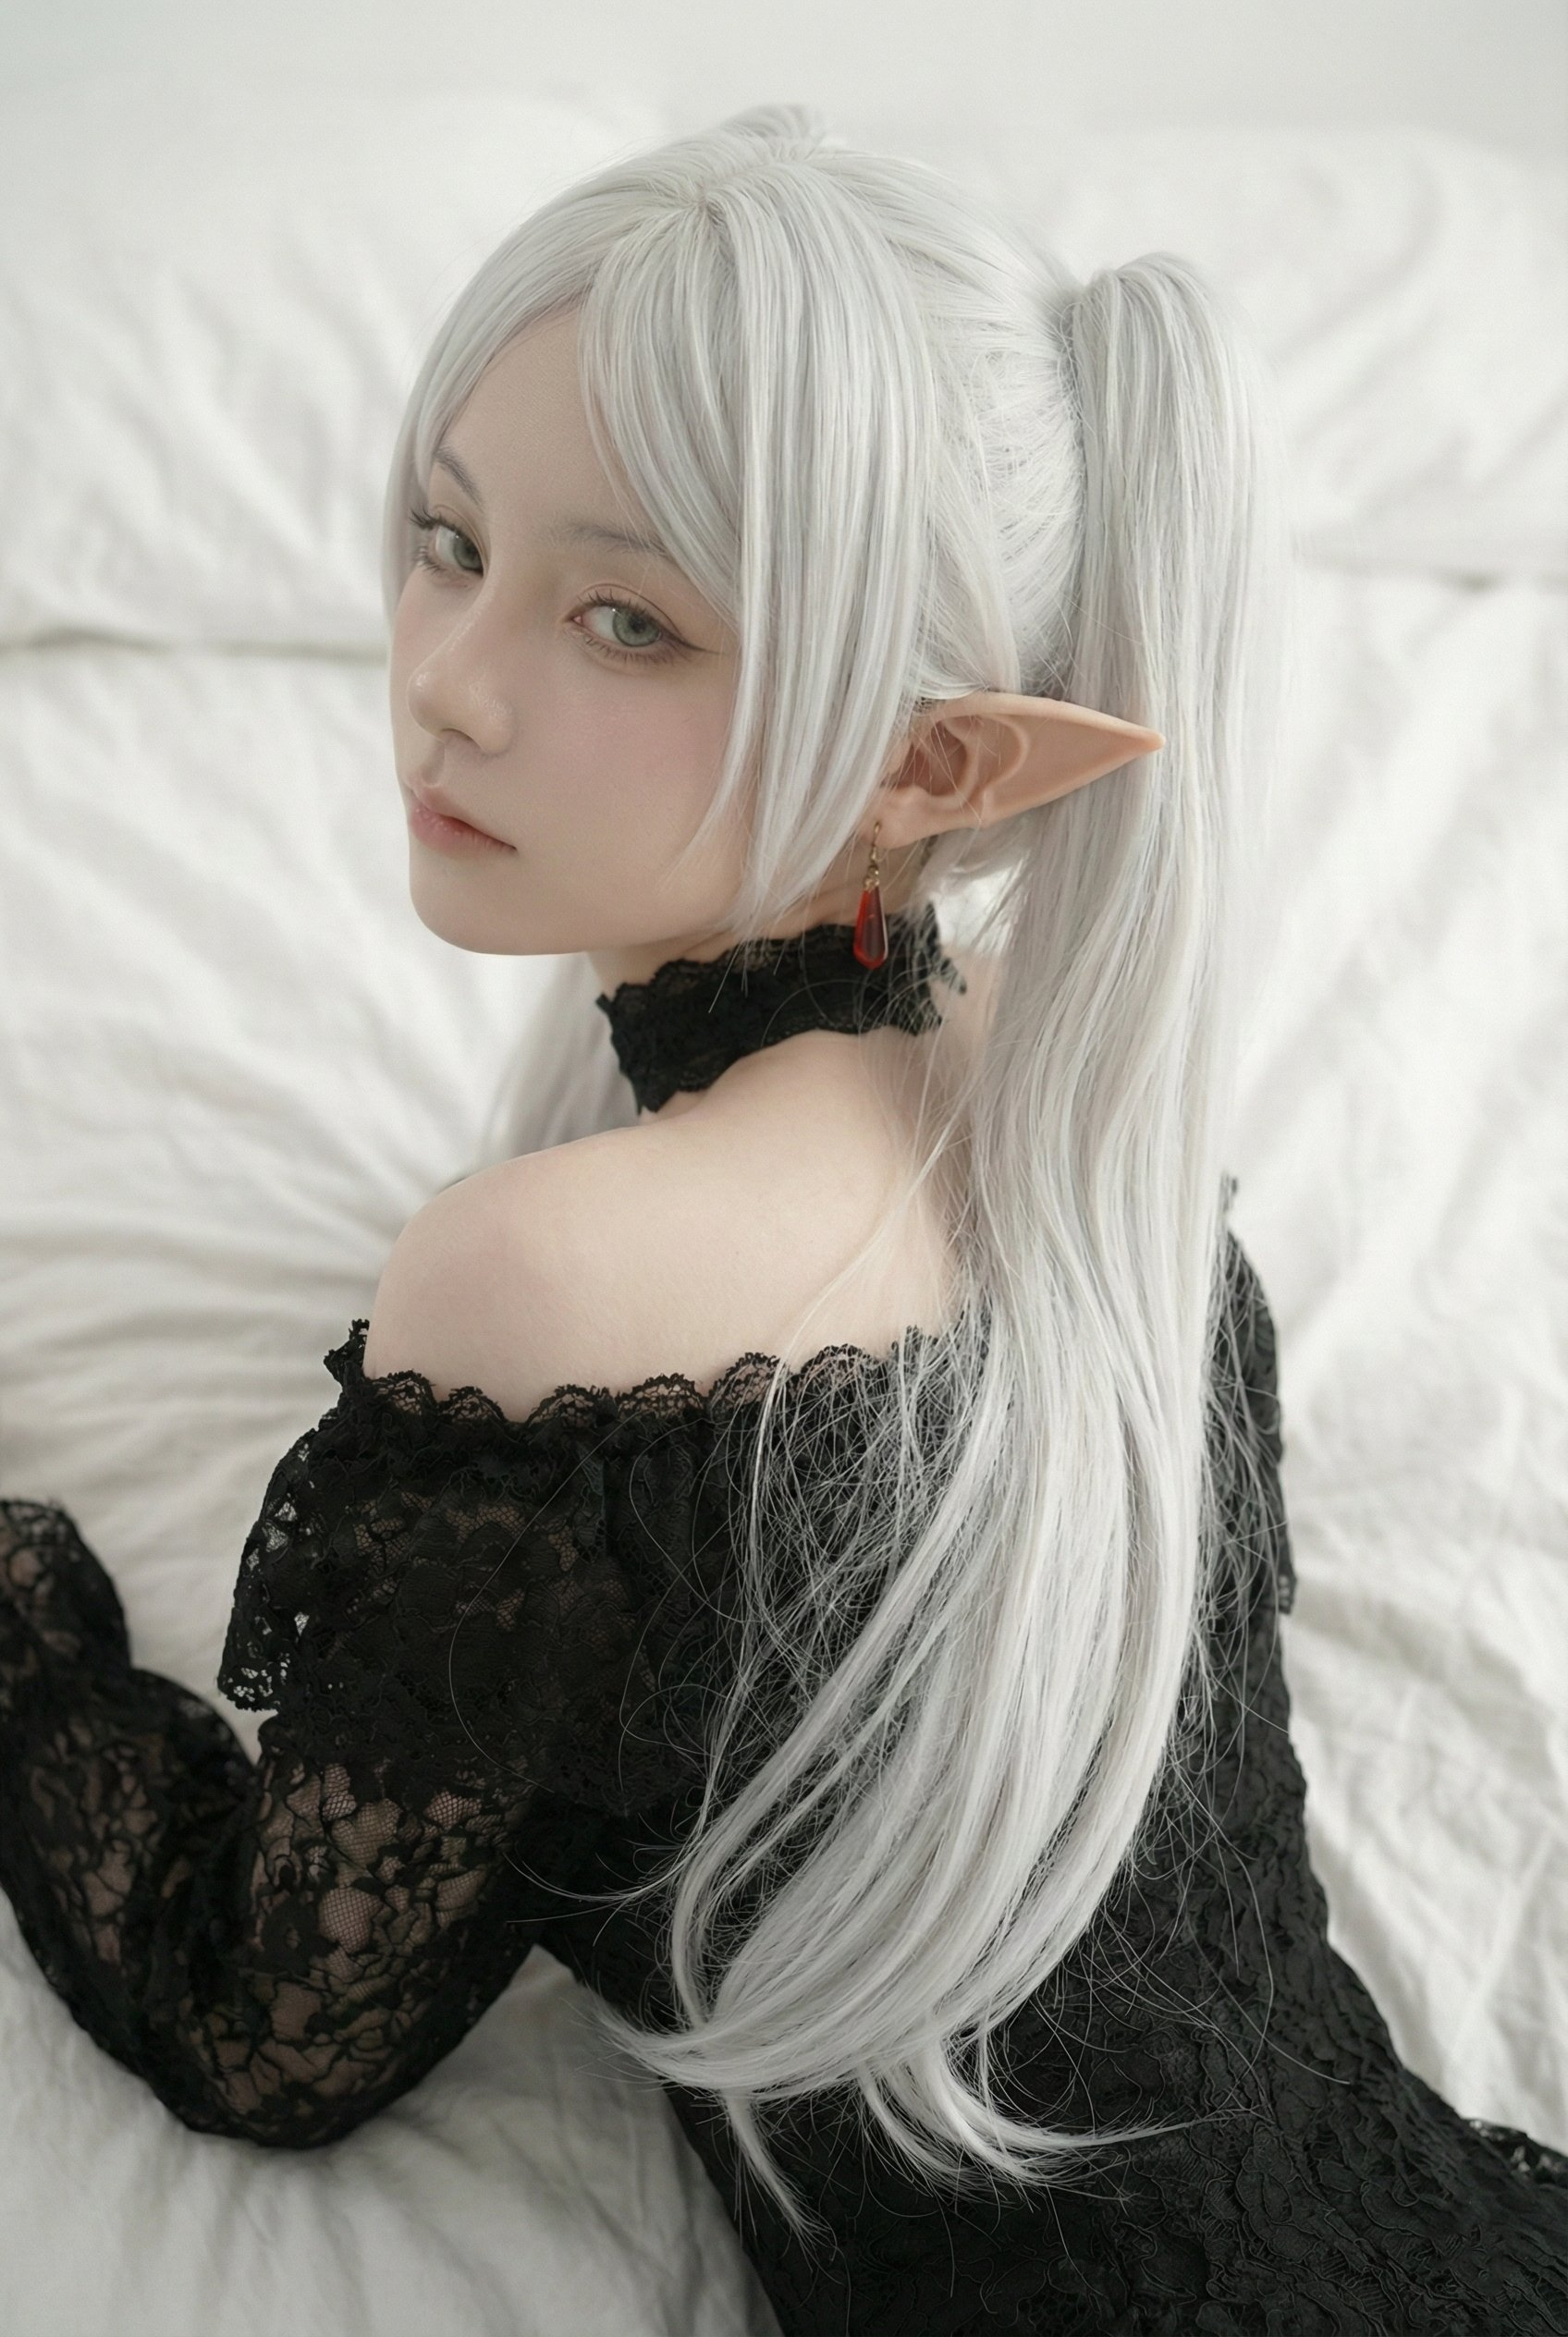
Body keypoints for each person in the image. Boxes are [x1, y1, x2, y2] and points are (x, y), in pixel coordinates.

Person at [1, 101, 1562, 2337]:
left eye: (625, 618)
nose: (445, 675)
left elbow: (265, 2025)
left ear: (935, 765)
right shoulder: (1092, 1130)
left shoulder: (539, 1280)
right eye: (446, 536)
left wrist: (23, 1630)